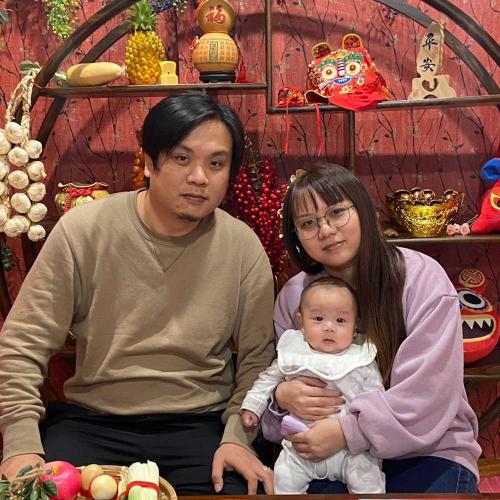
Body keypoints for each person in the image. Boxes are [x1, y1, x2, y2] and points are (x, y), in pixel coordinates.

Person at [0, 92, 275, 495]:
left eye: (216, 164)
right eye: (182, 158)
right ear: (148, 161)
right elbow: (24, 342)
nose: (200, 177)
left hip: (201, 425)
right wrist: (20, 443)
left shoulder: (242, 246)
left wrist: (238, 436)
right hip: (93, 421)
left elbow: (258, 360)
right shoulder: (85, 230)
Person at [261, 164, 481, 494]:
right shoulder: (295, 297)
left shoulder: (421, 279)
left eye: (337, 212)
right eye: (308, 223)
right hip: (328, 455)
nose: (325, 230)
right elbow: (276, 391)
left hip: (427, 450)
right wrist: (281, 398)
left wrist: (348, 431)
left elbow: (428, 395)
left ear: (363, 210)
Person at [241, 277, 385, 494]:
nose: (329, 327)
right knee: (283, 478)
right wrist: (252, 406)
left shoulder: (361, 359)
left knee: (369, 481)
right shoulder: (295, 354)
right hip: (301, 446)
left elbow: (378, 401)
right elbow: (267, 381)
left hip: (351, 450)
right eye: (318, 318)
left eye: (340, 320)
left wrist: (360, 429)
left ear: (355, 326)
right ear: (301, 321)